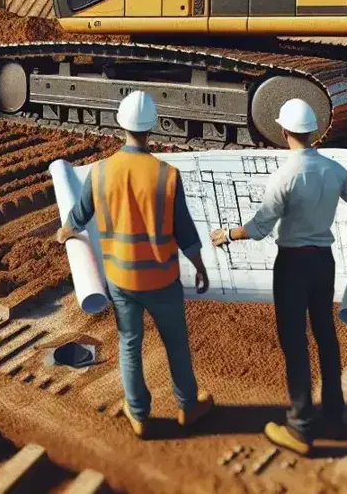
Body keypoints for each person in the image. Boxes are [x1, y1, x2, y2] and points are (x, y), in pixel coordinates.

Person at [210, 98, 347, 455]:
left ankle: (300, 427)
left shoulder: (284, 176)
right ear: (313, 130)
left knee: (295, 343)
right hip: (323, 263)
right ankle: (336, 414)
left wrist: (228, 234)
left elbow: (261, 228)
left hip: (292, 265)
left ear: (283, 131)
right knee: (325, 336)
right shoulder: (333, 169)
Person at [56, 90, 214, 439]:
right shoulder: (166, 175)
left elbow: (79, 217)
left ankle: (139, 414)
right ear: (153, 127)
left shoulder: (99, 173)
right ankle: (188, 407)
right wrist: (199, 265)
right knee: (176, 343)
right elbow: (184, 229)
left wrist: (64, 232)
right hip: (162, 278)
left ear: (121, 125)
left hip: (121, 278)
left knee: (129, 341)